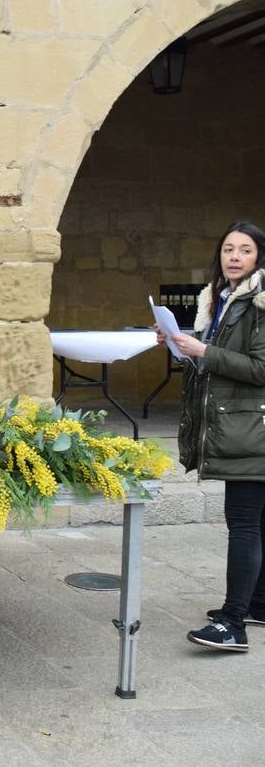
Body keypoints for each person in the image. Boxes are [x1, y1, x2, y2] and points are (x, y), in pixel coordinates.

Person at [162, 220, 265, 653]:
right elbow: (217, 366)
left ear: (259, 257)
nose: (235, 256)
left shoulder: (259, 304)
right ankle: (257, 603)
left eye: (245, 250)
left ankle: (232, 622)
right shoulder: (221, 301)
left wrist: (204, 350)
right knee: (257, 522)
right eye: (228, 249)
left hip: (251, 430)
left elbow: (260, 368)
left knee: (242, 524)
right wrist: (180, 344)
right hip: (242, 425)